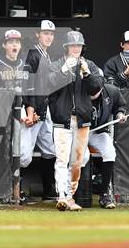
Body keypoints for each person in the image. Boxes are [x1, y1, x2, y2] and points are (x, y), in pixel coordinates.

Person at [47, 31, 103, 211]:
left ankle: (70, 196)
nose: (75, 49)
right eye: (72, 46)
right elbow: (49, 84)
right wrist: (64, 70)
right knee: (62, 159)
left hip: (82, 120)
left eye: (78, 46)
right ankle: (62, 196)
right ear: (66, 47)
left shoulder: (90, 64)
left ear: (82, 48)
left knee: (77, 161)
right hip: (62, 119)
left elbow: (96, 89)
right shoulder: (56, 64)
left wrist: (86, 74)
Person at [0, 29, 30, 203]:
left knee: (24, 156)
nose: (14, 44)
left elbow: (31, 92)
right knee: (4, 153)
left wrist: (30, 111)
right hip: (1, 114)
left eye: (17, 42)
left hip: (22, 113)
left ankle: (16, 187)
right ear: (4, 45)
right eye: (11, 42)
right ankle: (5, 191)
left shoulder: (25, 65)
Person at [21, 20, 57, 202]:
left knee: (50, 150)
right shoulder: (32, 54)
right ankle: (15, 190)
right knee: (24, 155)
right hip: (33, 110)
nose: (48, 36)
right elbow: (27, 85)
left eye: (51, 33)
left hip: (45, 109)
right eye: (45, 33)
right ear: (37, 34)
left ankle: (48, 190)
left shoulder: (47, 55)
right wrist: (30, 109)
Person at [81, 81, 127, 209]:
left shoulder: (111, 91)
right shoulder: (78, 90)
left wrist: (120, 114)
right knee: (82, 157)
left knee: (110, 152)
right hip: (79, 131)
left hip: (98, 131)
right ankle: (74, 193)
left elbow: (120, 104)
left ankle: (105, 193)